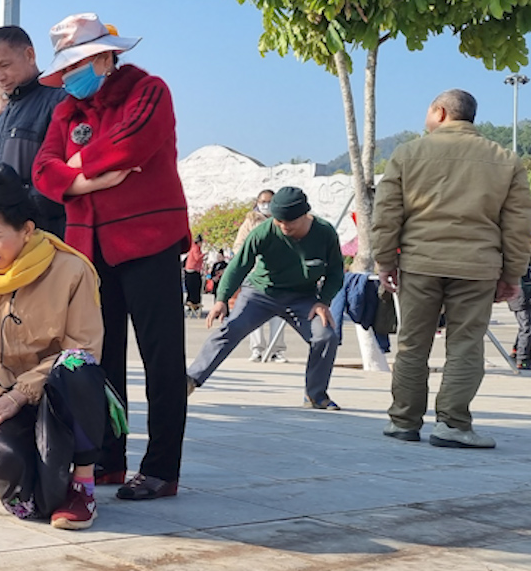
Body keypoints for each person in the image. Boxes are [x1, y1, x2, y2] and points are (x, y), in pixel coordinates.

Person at [32, 13, 190, 501]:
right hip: (90, 249)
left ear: (105, 56)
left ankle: (162, 468)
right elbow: (43, 169)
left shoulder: (149, 91)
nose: (70, 78)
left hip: (149, 242)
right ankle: (108, 456)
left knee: (162, 360)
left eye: (77, 64)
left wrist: (77, 163)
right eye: (65, 69)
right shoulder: (66, 111)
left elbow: (132, 144)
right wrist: (84, 179)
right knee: (102, 359)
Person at [0, 164, 118, 529]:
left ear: (26, 231)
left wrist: (21, 393)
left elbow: (85, 347)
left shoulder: (71, 270)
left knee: (77, 366)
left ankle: (83, 483)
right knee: (8, 468)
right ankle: (51, 490)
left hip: (57, 401)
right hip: (5, 402)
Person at [374, 89, 531, 448]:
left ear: (440, 112)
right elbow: (519, 225)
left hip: (420, 263)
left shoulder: (408, 154)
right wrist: (512, 275)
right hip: (477, 266)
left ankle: (403, 421)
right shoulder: (505, 159)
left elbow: (386, 214)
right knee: (465, 345)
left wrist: (385, 261)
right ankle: (453, 424)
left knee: (413, 344)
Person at [187, 187, 344, 409]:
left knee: (325, 336)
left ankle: (315, 395)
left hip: (303, 297)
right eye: (279, 221)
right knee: (231, 328)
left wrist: (323, 301)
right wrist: (221, 299)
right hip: (260, 293)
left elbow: (336, 272)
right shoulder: (264, 232)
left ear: (304, 215)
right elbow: (238, 266)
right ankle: (190, 380)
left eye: (289, 222)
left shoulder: (325, 232)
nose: (283, 226)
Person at [0, 25, 67, 236]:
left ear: (30, 55)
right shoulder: (2, 116)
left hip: (39, 236)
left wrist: (18, 211)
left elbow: (61, 173)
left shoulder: (57, 102)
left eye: (4, 65)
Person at [235, 189, 288, 363]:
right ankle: (257, 349)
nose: (266, 205)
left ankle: (276, 350)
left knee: (278, 314)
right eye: (262, 201)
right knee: (255, 314)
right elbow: (239, 246)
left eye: (269, 201)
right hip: (255, 275)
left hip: (279, 275)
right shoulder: (251, 221)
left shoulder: (283, 220)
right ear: (257, 202)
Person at [183, 234, 205, 309]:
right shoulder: (196, 248)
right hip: (193, 270)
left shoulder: (193, 248)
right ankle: (194, 301)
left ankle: (193, 301)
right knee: (195, 286)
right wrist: (203, 255)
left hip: (192, 270)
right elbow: (197, 258)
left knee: (193, 286)